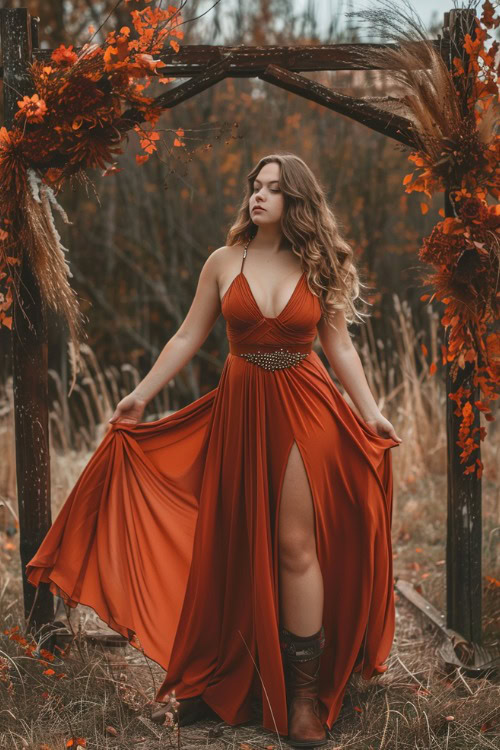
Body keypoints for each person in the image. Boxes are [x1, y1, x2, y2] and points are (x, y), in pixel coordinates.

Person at [26, 152, 402, 748]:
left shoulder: (317, 262)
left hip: (307, 411)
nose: (259, 196)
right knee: (232, 542)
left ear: (296, 201)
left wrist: (372, 412)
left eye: (274, 189)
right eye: (256, 186)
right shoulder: (224, 261)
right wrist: (140, 396)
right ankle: (222, 676)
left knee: (295, 546)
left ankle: (303, 700)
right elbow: (186, 335)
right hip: (241, 411)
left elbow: (342, 349)